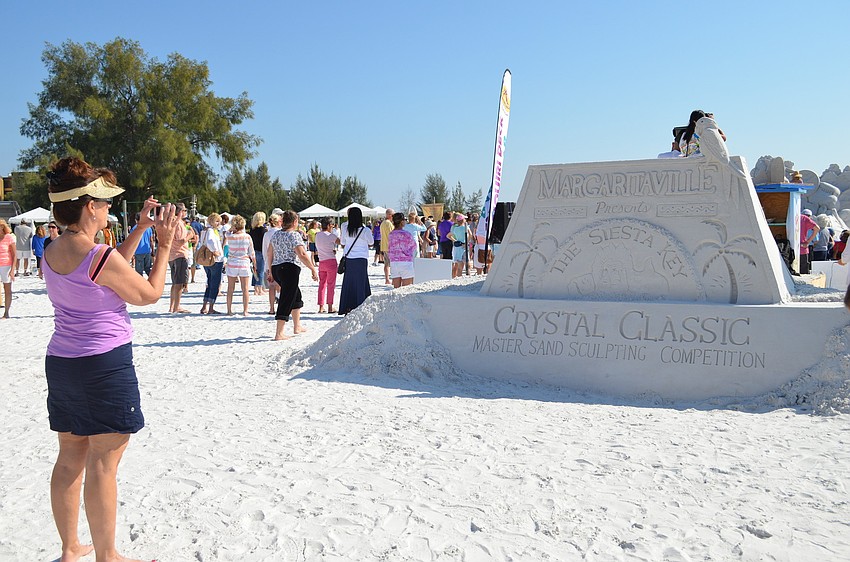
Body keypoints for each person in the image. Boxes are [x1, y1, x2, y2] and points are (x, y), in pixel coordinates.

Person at [42, 156, 178, 562]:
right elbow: (149, 293)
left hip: (63, 361)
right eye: (103, 204)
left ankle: (70, 550)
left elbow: (106, 265)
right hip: (103, 364)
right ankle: (107, 556)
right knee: (104, 462)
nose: (106, 210)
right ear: (89, 206)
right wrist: (165, 245)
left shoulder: (53, 249)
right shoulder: (98, 255)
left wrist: (139, 228)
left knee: (70, 457)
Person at [266, 210, 318, 339]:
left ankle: (297, 326)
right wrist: (312, 268)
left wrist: (270, 270)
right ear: (295, 222)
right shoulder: (294, 235)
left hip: (277, 268)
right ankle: (279, 333)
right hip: (289, 268)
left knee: (295, 295)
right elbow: (301, 254)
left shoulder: (276, 234)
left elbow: (269, 253)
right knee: (286, 298)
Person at [337, 206, 374, 315]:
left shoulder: (345, 228)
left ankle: (348, 306)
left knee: (349, 283)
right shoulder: (365, 230)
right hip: (361, 259)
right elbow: (371, 243)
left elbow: (342, 242)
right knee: (361, 282)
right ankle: (361, 305)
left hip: (349, 259)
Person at [225, 214, 255, 316]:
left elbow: (226, 233)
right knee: (245, 289)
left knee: (230, 288)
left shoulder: (230, 236)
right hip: (244, 263)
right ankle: (245, 310)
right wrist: (255, 265)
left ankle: (229, 310)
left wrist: (232, 228)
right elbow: (252, 253)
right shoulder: (247, 237)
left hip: (232, 263)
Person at [168, 203, 193, 313]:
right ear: (180, 211)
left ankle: (172, 306)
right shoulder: (178, 223)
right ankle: (176, 306)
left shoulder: (171, 222)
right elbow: (180, 241)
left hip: (172, 255)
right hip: (179, 254)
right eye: (184, 210)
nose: (185, 212)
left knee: (175, 282)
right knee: (179, 283)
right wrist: (190, 235)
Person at [199, 213, 224, 314]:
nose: (218, 223)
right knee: (215, 284)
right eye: (217, 221)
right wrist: (215, 251)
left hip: (206, 260)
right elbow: (211, 242)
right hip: (215, 259)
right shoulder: (211, 231)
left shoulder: (204, 230)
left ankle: (204, 306)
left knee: (209, 282)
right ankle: (211, 307)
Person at [315, 217, 340, 313]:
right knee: (331, 285)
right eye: (332, 225)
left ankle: (321, 306)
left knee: (322, 284)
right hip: (331, 261)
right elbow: (341, 243)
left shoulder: (318, 235)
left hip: (322, 261)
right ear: (329, 225)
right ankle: (330, 306)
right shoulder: (331, 236)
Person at [388, 212, 417, 288]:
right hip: (405, 262)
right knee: (406, 291)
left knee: (396, 290)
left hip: (394, 262)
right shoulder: (406, 234)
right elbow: (414, 246)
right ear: (402, 222)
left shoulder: (391, 234)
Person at [262, 213, 282, 314]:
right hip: (280, 262)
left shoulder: (266, 234)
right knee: (281, 285)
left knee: (271, 287)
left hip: (269, 263)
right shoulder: (281, 232)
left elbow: (264, 250)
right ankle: (280, 305)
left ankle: (271, 308)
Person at [129, 212, 154, 277]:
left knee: (139, 272)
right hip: (147, 250)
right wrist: (153, 250)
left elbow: (132, 242)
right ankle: (152, 281)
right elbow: (151, 240)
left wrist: (131, 253)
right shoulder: (148, 228)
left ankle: (141, 285)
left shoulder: (134, 229)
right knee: (148, 269)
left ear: (136, 220)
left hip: (138, 251)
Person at [448, 213, 472, 278]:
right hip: (464, 246)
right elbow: (470, 235)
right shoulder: (465, 227)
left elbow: (448, 236)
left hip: (457, 247)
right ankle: (468, 278)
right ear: (462, 220)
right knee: (467, 265)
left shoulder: (454, 228)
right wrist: (467, 242)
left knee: (459, 266)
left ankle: (458, 278)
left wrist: (455, 241)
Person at [0, 219, 16, 318]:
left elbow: (14, 255)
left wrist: (12, 270)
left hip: (6, 265)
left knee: (7, 289)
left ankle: (6, 312)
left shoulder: (9, 237)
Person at [249, 212, 267, 296]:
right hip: (261, 251)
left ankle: (256, 288)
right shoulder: (263, 230)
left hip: (254, 251)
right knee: (261, 271)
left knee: (255, 270)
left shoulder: (252, 230)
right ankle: (259, 289)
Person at [799, 209, 820, 275]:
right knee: (804, 272)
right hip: (803, 248)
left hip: (789, 248)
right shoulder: (805, 219)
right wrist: (808, 241)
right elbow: (817, 229)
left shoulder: (792, 217)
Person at [380, 208, 394, 284]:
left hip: (384, 245)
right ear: (389, 215)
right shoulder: (388, 223)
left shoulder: (383, 223)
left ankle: (387, 279)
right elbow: (392, 234)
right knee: (391, 264)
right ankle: (389, 279)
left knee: (386, 264)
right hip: (390, 246)